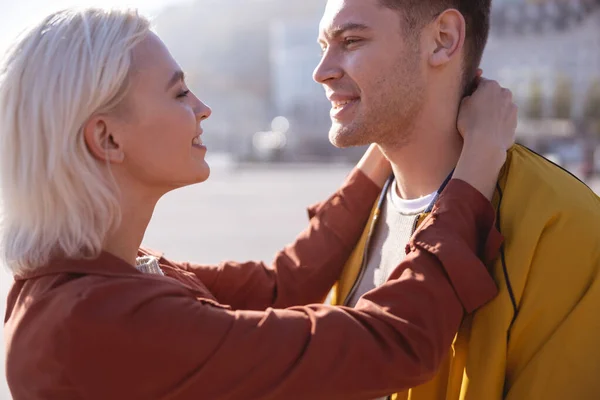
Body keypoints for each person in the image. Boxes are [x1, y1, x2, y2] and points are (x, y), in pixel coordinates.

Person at [1, 8, 514, 400]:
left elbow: (279, 287)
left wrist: (384, 139)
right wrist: (476, 167)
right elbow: (393, 343)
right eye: (179, 95)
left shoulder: (99, 279)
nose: (203, 108)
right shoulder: (97, 321)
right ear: (107, 139)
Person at [314, 0, 600, 399]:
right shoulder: (356, 219)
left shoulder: (563, 227)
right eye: (323, 45)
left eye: (352, 40)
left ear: (443, 40)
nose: (321, 71)